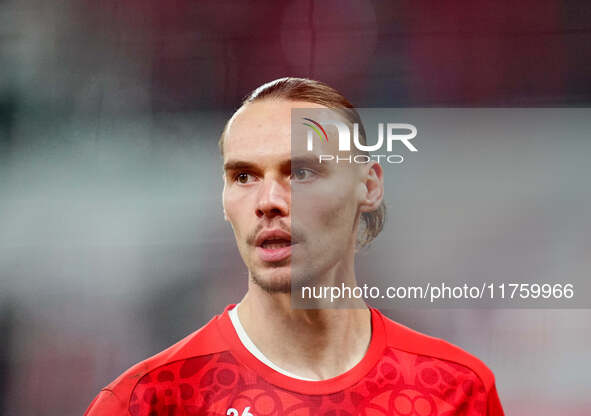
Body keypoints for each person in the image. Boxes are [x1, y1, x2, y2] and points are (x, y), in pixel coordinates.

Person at [85, 77, 505, 415]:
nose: (268, 201)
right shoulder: (150, 401)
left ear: (369, 185)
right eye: (244, 177)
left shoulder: (456, 391)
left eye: (300, 172)